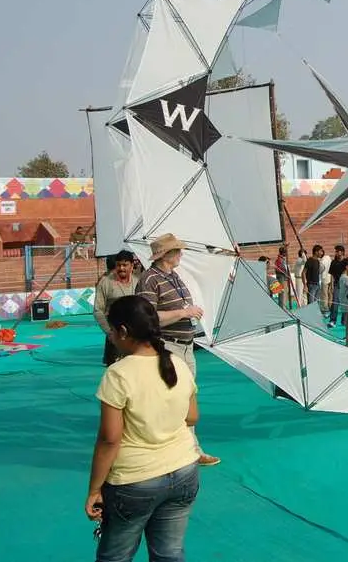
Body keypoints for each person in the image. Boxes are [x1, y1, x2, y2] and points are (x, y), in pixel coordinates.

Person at [86, 295, 200, 562]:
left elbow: (110, 440)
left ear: (123, 331)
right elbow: (192, 417)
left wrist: (94, 490)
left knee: (115, 556)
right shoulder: (178, 364)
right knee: (169, 553)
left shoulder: (118, 374)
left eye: (113, 331)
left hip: (134, 482)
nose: (111, 336)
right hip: (184, 471)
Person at [135, 233, 220, 467]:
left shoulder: (174, 277)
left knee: (186, 399)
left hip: (185, 347)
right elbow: (147, 318)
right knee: (169, 401)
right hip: (167, 347)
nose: (181, 254)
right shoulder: (150, 279)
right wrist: (184, 313)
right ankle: (169, 451)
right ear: (167, 255)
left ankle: (190, 449)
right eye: (178, 250)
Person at [94, 251, 139, 366]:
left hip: (136, 337)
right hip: (115, 338)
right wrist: (109, 333)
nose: (121, 268)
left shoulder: (138, 282)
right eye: (118, 265)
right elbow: (98, 310)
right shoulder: (105, 283)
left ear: (132, 265)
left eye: (125, 265)